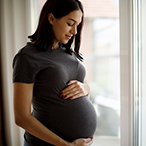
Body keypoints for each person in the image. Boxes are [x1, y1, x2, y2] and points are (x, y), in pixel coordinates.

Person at [13, 0, 97, 146]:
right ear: (51, 18)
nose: (75, 32)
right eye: (70, 24)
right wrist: (65, 144)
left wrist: (86, 88)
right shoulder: (27, 57)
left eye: (78, 25)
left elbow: (77, 91)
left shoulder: (68, 53)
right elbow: (21, 117)